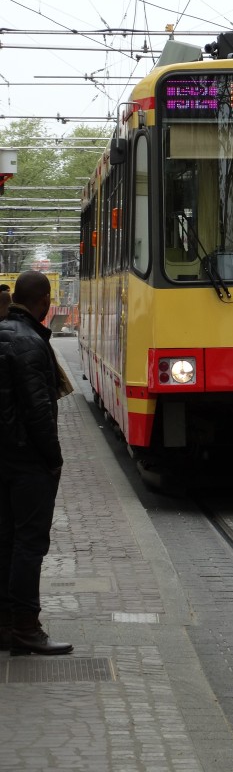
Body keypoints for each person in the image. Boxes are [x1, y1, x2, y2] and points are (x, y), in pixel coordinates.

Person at [0, 271, 73, 655]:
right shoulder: (31, 342)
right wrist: (53, 459)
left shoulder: (3, 333)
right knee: (29, 544)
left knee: (6, 541)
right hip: (27, 461)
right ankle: (26, 628)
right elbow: (38, 411)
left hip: (4, 458)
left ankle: (5, 624)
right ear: (44, 301)